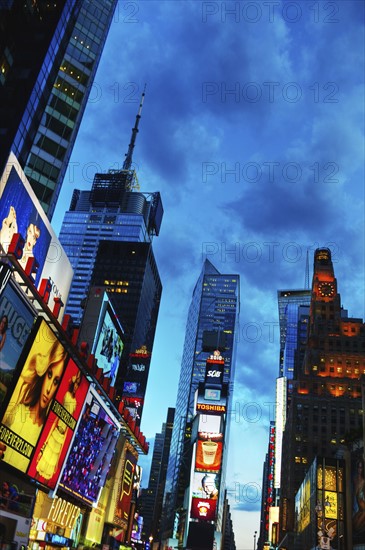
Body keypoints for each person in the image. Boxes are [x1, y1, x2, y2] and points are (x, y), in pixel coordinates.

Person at [2, 337, 67, 470]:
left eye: (56, 382)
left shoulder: (46, 434)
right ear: (43, 373)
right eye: (49, 375)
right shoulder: (18, 411)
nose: (49, 389)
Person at [36, 371, 81, 482]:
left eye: (77, 386)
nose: (76, 387)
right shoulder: (66, 396)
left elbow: (68, 427)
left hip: (61, 435)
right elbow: (56, 418)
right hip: (56, 431)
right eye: (75, 384)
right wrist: (43, 447)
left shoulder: (75, 402)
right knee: (42, 464)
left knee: (50, 469)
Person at [353, 457, 365, 534]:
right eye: (358, 467)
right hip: (358, 507)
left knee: (356, 526)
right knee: (354, 525)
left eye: (361, 468)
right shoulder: (355, 480)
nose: (359, 470)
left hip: (362, 505)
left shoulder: (364, 481)